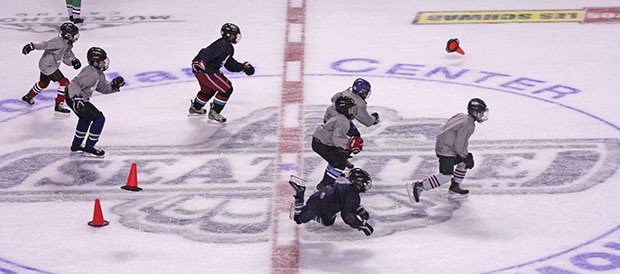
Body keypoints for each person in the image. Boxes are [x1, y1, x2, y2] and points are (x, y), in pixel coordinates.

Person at [406, 98, 489, 203]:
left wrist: (464, 156)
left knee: (464, 162)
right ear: (474, 112)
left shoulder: (461, 116)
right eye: (480, 112)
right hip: (446, 150)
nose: (482, 115)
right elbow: (459, 145)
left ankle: (454, 189)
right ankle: (419, 186)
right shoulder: (469, 125)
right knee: (445, 176)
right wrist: (465, 155)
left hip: (444, 146)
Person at [188, 23, 255, 123]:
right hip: (207, 71)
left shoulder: (227, 46)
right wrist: (200, 62)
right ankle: (214, 112)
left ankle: (196, 108)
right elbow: (206, 52)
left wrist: (242, 67)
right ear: (227, 34)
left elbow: (229, 64)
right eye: (233, 34)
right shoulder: (223, 44)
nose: (235, 37)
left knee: (208, 90)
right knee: (227, 89)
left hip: (203, 71)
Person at [65, 47, 124, 157]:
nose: (104, 63)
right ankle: (90, 146)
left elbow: (103, 88)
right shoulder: (90, 73)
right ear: (96, 62)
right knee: (99, 118)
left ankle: (76, 144)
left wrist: (114, 85)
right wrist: (75, 98)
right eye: (102, 61)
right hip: (74, 98)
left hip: (78, 99)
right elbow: (74, 83)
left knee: (86, 118)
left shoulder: (98, 74)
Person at [288, 168, 374, 237]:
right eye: (365, 183)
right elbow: (347, 215)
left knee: (328, 222)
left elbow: (349, 205)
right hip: (319, 204)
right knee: (298, 219)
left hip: (322, 201)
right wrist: (361, 224)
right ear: (358, 183)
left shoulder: (349, 190)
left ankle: (307, 210)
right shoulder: (353, 194)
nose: (366, 185)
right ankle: (300, 193)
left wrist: (360, 211)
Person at [21, 22, 81, 116]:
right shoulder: (57, 41)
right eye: (74, 35)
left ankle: (29, 96)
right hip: (48, 66)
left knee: (43, 83)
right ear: (67, 35)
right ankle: (59, 105)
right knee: (64, 82)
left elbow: (66, 56)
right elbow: (45, 45)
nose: (75, 37)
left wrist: (73, 61)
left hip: (47, 65)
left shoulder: (67, 44)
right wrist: (32, 46)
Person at [312, 96, 364, 190]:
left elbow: (336, 137)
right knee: (339, 163)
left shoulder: (340, 117)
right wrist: (349, 144)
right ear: (344, 110)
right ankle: (325, 184)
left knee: (337, 159)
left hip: (320, 142)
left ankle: (327, 181)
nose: (353, 111)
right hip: (322, 144)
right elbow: (337, 138)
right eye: (351, 109)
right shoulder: (343, 120)